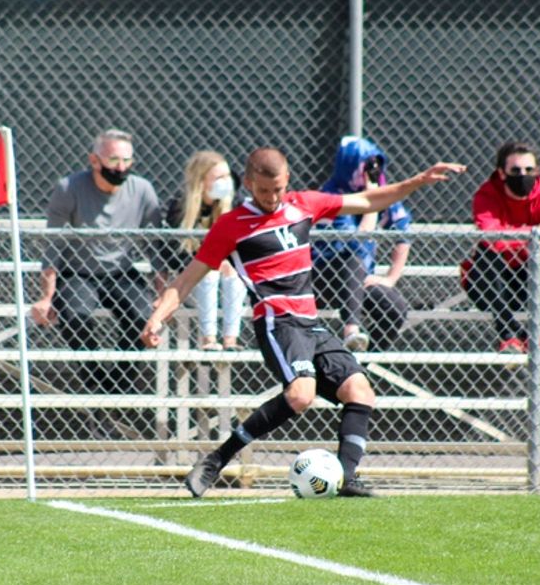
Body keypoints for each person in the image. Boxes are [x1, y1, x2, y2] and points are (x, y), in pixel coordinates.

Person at [141, 147, 465, 498]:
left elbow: (369, 200)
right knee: (300, 395)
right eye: (264, 190)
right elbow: (186, 281)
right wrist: (158, 317)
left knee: (361, 391)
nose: (272, 197)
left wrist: (417, 181)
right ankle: (215, 461)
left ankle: (345, 477)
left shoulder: (304, 204)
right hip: (278, 324)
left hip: (311, 323)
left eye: (278, 188)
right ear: (248, 183)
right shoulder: (231, 226)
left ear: (288, 180)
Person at [32, 129, 164, 394]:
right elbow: (53, 246)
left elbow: (155, 247)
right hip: (79, 272)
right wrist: (46, 296)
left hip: (122, 271)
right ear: (94, 161)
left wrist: (163, 291)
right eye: (114, 160)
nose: (121, 167)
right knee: (74, 314)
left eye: (127, 161)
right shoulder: (69, 188)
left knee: (143, 315)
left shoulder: (142, 190)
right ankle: (95, 380)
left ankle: (117, 385)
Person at [464, 140, 540, 354]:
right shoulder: (487, 195)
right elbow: (492, 238)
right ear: (502, 173)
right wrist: (536, 235)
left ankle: (536, 334)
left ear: (537, 172)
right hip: (492, 284)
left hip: (530, 279)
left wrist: (512, 236)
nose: (523, 175)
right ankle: (509, 335)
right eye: (515, 170)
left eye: (529, 170)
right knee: (488, 256)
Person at [311, 136, 413, 352]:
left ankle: (362, 366)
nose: (368, 174)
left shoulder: (381, 191)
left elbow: (403, 233)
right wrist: (371, 205)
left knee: (395, 307)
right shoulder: (330, 195)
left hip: (360, 281)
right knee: (353, 260)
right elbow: (353, 245)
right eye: (364, 167)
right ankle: (351, 331)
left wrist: (391, 278)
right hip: (324, 277)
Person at [161, 151, 247, 351]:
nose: (226, 182)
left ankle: (230, 340)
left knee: (228, 269)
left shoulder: (236, 204)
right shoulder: (180, 208)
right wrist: (207, 262)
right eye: (218, 178)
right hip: (192, 284)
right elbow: (174, 257)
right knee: (210, 269)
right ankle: (208, 339)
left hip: (229, 283)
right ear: (201, 182)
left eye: (227, 176)